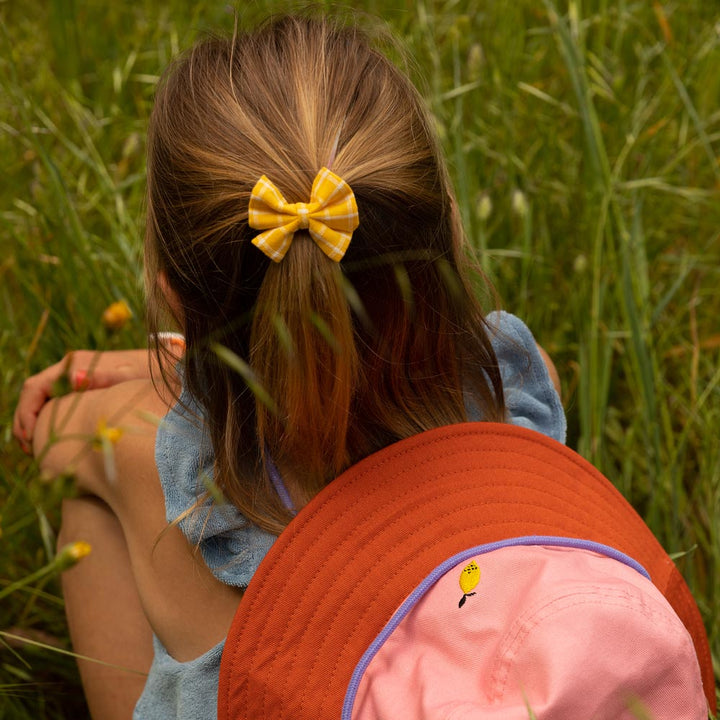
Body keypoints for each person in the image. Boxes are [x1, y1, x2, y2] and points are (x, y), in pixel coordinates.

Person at [15, 14, 597, 719]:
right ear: (445, 225)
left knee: (90, 491)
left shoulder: (172, 473)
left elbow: (58, 439)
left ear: (173, 293)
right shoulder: (519, 382)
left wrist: (167, 369)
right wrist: (176, 354)